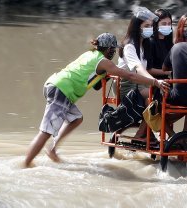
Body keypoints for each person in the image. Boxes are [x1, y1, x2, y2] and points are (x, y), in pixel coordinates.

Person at [24, 33, 168, 167]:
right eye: (113, 49)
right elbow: (130, 76)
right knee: (45, 132)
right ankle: (25, 165)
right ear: (109, 49)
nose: (114, 52)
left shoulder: (90, 54)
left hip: (56, 86)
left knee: (76, 118)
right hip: (62, 90)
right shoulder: (104, 62)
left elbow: (94, 82)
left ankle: (52, 149)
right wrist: (155, 82)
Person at [118, 7, 163, 143]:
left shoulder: (145, 45)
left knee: (157, 98)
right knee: (156, 100)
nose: (150, 29)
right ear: (137, 28)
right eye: (146, 26)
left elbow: (146, 69)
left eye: (151, 26)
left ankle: (142, 133)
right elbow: (138, 68)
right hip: (128, 86)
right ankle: (163, 134)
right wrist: (155, 82)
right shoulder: (129, 47)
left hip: (140, 85)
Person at [146, 8, 174, 79]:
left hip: (168, 82)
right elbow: (148, 69)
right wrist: (169, 72)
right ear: (156, 24)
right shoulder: (150, 42)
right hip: (154, 83)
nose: (167, 26)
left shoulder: (169, 43)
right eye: (164, 24)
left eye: (169, 24)